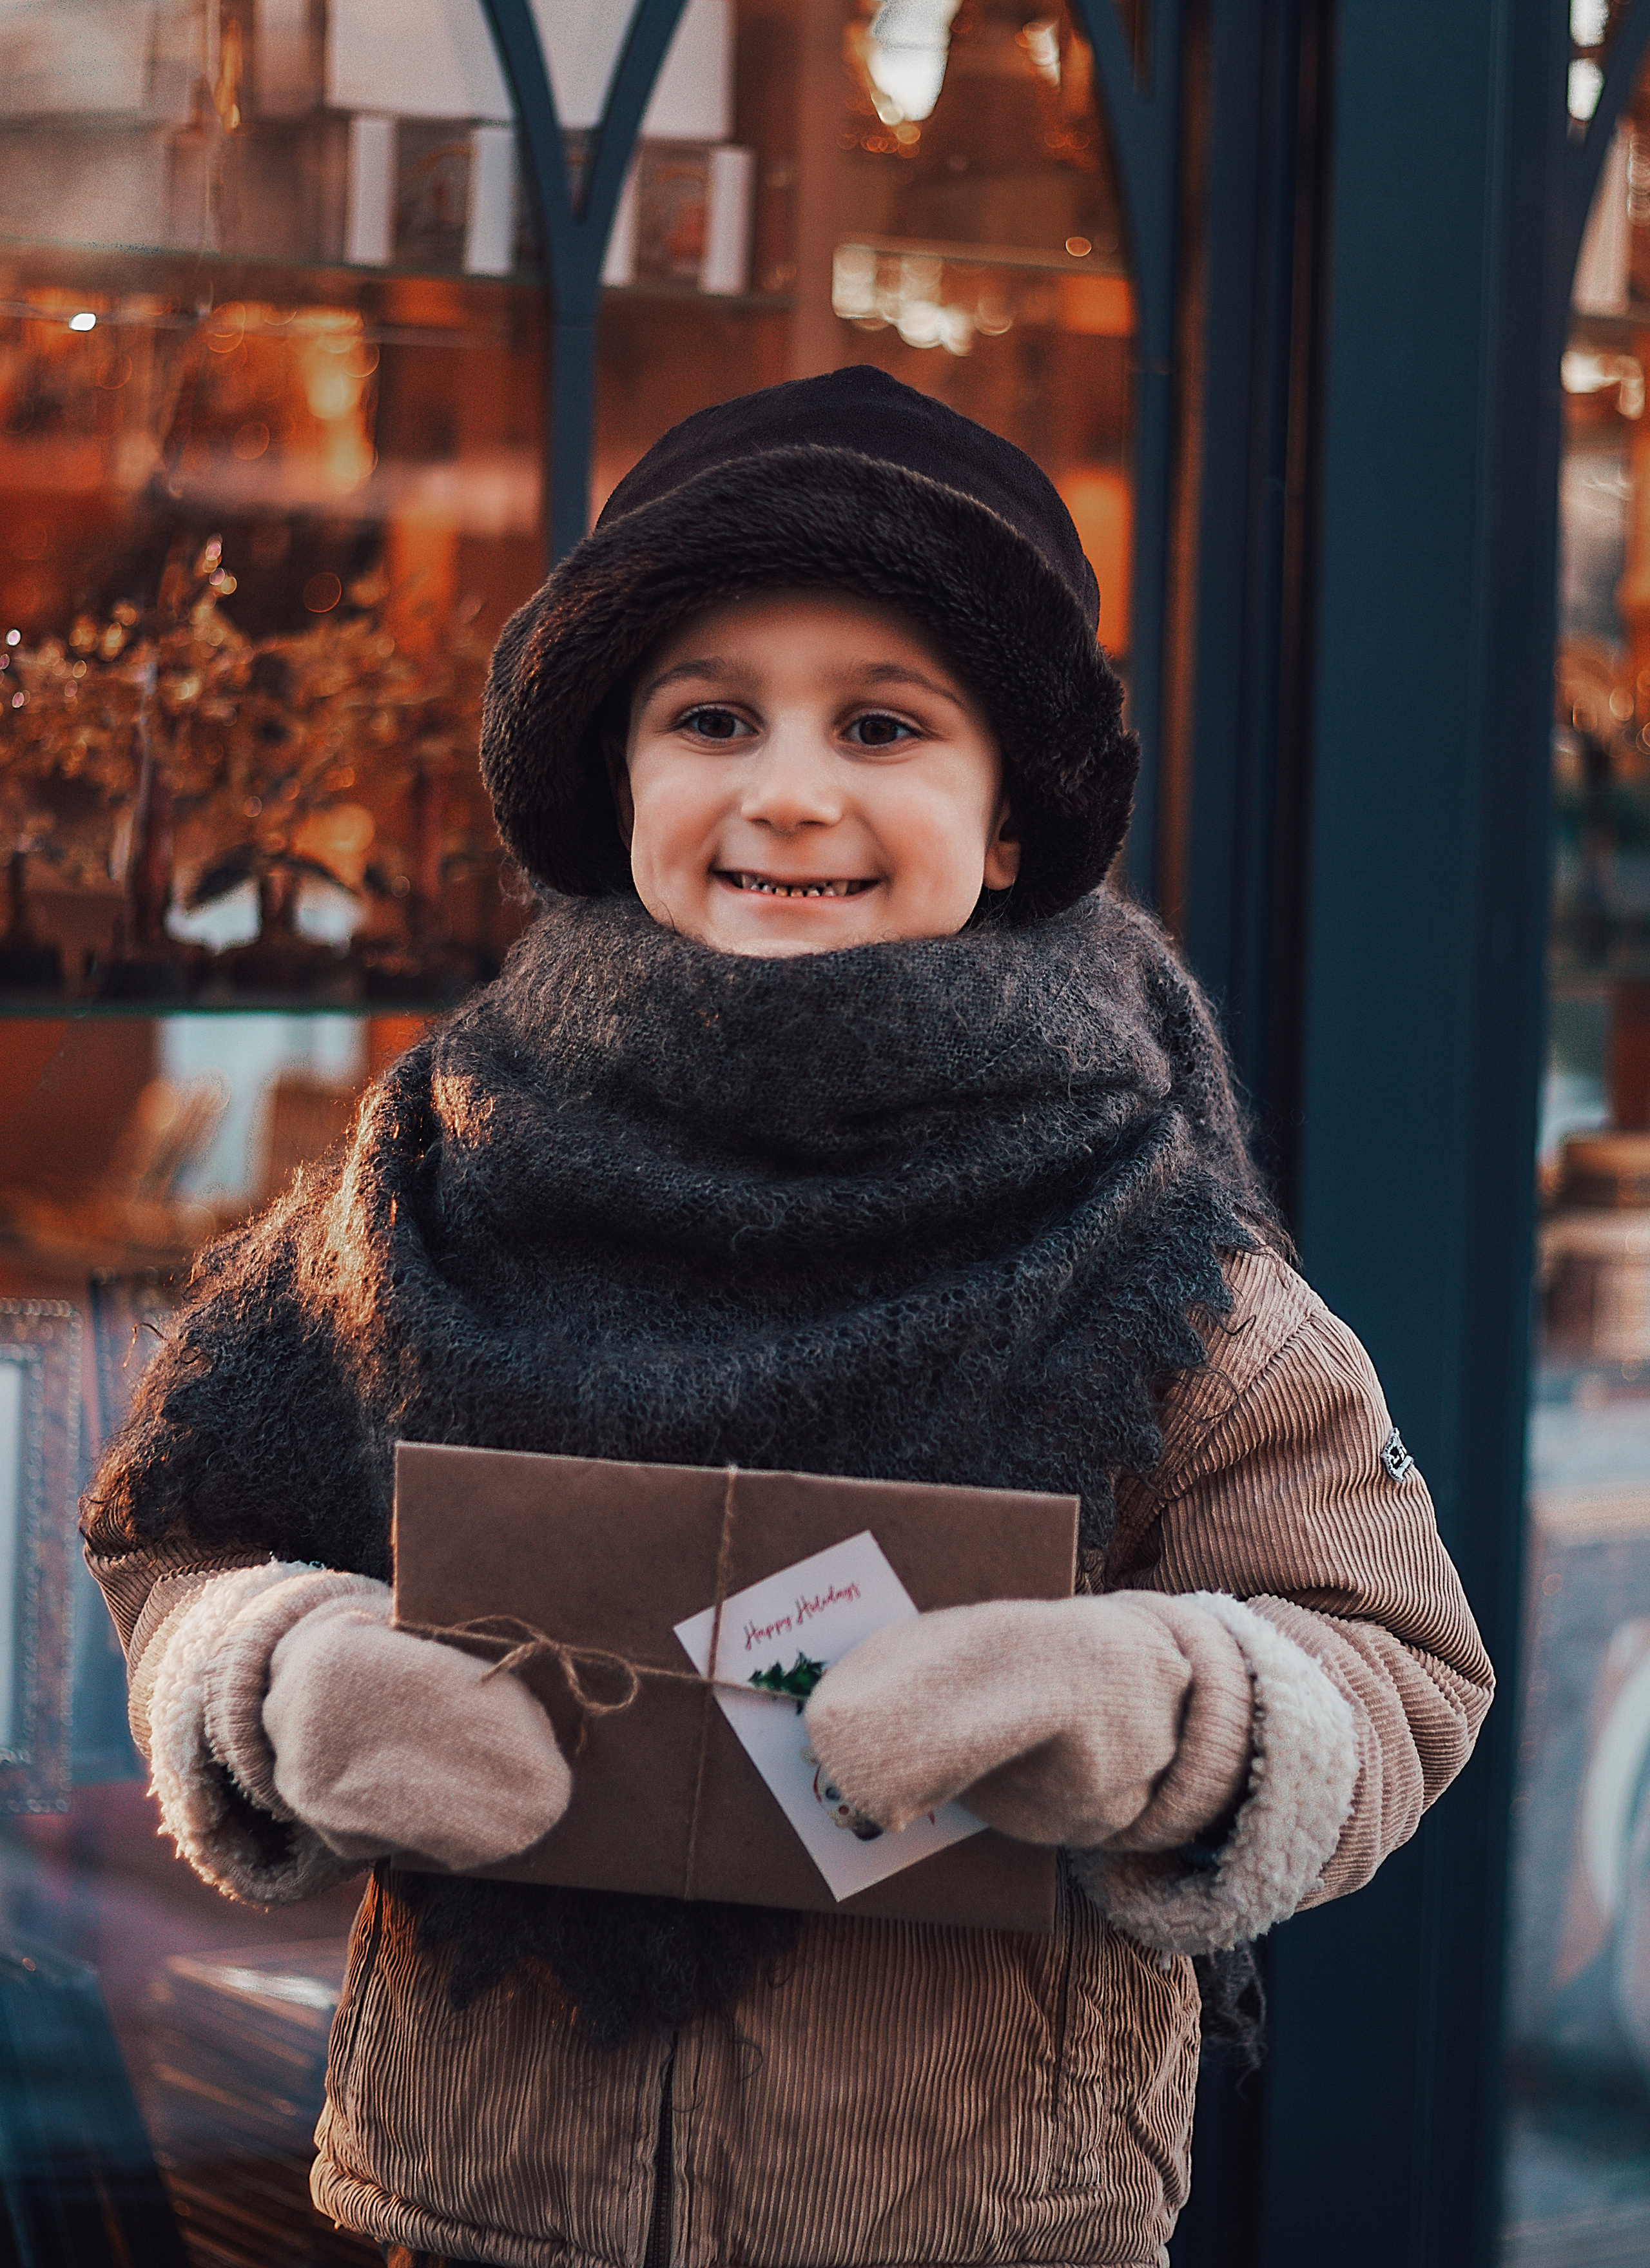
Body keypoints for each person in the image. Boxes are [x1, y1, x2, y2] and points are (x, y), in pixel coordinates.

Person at [82, 368, 1493, 2268]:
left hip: (975, 2220)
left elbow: (1399, 1661)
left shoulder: (1149, 1251)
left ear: (1011, 821)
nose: (791, 788)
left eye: (886, 723)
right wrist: (280, 1678)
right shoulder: (424, 1184)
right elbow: (177, 1529)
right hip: (483, 2206)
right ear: (622, 778)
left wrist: (1157, 1704)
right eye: (715, 718)